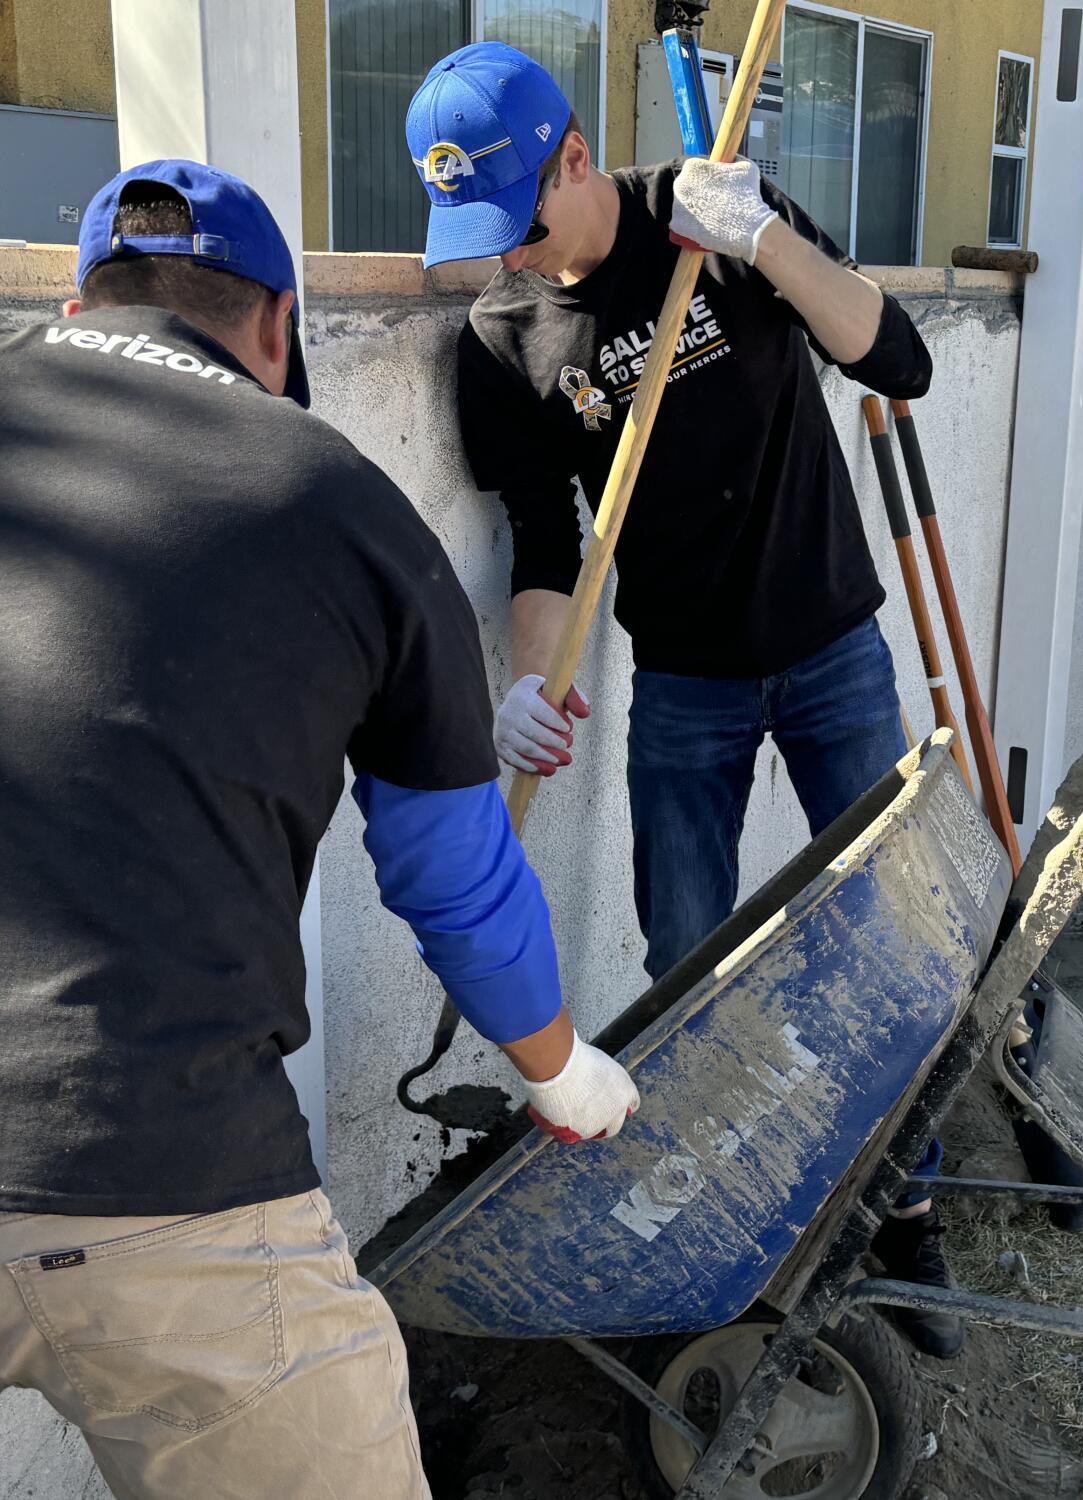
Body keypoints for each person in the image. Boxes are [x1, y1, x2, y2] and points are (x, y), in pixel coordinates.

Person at [0, 161, 639, 1500]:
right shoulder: (340, 506)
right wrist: (559, 1070)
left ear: (75, 303)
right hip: (165, 1177)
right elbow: (450, 873)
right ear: (280, 328)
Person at [405, 43, 961, 1358]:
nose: (517, 258)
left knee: (889, 936)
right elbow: (546, 547)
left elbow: (900, 363)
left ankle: (910, 1205)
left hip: (831, 646)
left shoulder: (709, 208)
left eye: (525, 222)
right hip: (686, 685)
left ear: (579, 158)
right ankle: (710, 1225)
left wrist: (766, 240)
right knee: (687, 967)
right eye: (487, 239)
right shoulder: (502, 342)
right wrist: (528, 687)